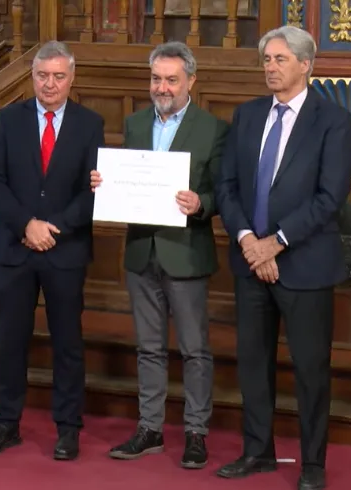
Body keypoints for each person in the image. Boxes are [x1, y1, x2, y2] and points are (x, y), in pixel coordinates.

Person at [214, 26, 351, 490]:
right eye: (267, 59)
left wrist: (275, 242)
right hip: (250, 261)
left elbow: (330, 196)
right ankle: (257, 452)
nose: (270, 67)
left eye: (280, 59)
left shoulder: (333, 120)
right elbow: (227, 186)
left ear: (305, 65)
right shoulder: (248, 114)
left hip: (304, 265)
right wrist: (248, 241)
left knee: (311, 369)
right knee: (253, 363)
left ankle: (313, 463)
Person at [90, 41, 227, 469]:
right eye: (156, 79)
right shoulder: (134, 123)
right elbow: (127, 183)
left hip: (186, 253)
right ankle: (149, 428)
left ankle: (196, 433)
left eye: (171, 79)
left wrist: (200, 203)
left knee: (194, 350)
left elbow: (223, 192)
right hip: (140, 253)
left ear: (191, 82)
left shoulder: (213, 128)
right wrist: (104, 184)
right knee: (148, 348)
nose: (162, 87)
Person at [0, 41, 105, 461]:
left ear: (72, 77)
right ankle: (5, 423)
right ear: (32, 76)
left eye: (58, 76)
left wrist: (55, 229)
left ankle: (68, 428)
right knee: (10, 341)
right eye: (42, 75)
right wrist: (26, 225)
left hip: (65, 250)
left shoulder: (90, 124)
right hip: (16, 248)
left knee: (67, 344)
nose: (50, 84)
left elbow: (93, 190)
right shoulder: (8, 119)